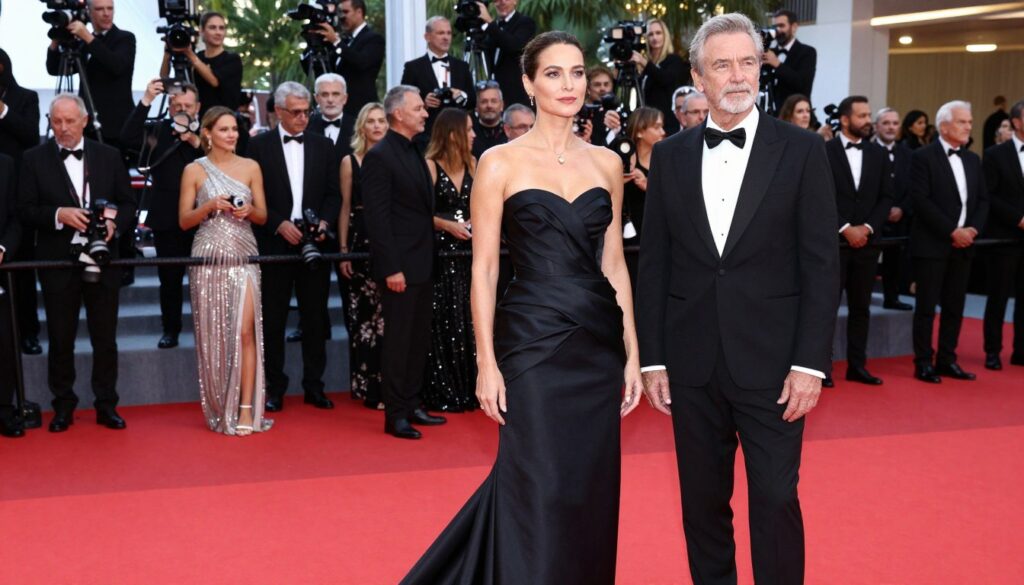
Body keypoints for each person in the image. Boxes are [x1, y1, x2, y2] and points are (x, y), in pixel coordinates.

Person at [402, 31, 642, 583]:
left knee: (589, 484)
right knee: (536, 481)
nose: (569, 84)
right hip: (532, 343)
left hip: (597, 346)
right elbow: (483, 268)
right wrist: (486, 362)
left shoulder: (608, 163)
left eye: (577, 72)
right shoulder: (499, 162)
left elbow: (614, 266)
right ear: (529, 84)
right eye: (554, 73)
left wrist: (632, 351)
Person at [637, 14, 839, 584]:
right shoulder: (671, 156)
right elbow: (655, 263)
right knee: (702, 506)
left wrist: (809, 364)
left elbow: (822, 265)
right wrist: (653, 357)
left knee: (775, 499)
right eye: (722, 64)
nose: (737, 75)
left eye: (747, 61)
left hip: (775, 363)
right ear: (698, 78)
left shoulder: (800, 150)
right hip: (692, 361)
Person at [17, 94, 137, 433]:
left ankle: (106, 405)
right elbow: (24, 210)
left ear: (85, 120)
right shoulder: (33, 159)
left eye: (70, 121)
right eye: (57, 122)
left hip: (103, 257)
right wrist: (58, 215)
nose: (64, 128)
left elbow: (128, 203)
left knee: (105, 339)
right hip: (57, 261)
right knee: (60, 337)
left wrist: (115, 224)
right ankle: (63, 406)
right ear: (49, 121)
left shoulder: (109, 156)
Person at [247, 82, 340, 412]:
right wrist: (277, 223)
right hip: (274, 243)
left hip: (314, 242)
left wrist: (325, 222)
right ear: (278, 112)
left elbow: (333, 194)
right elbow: (250, 197)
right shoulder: (256, 147)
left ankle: (315, 386)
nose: (303, 118)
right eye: (296, 112)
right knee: (272, 321)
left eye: (306, 111)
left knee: (315, 319)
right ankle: (274, 388)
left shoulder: (323, 146)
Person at [178, 106, 270, 436]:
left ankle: (246, 407)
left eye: (235, 129)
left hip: (244, 253)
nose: (232, 135)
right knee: (215, 332)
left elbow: (263, 216)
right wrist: (208, 206)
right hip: (207, 257)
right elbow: (184, 221)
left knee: (245, 332)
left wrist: (247, 211)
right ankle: (220, 404)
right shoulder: (194, 170)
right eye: (225, 130)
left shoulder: (251, 167)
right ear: (208, 133)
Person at [363, 85, 447, 439]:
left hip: (423, 263)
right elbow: (377, 220)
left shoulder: (415, 150)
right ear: (399, 114)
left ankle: (412, 403)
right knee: (398, 343)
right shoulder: (380, 157)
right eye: (418, 109)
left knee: (417, 340)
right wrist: (391, 268)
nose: (425, 113)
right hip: (400, 267)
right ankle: (395, 413)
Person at [120, 79, 205, 349]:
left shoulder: (212, 129)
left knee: (205, 280)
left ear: (198, 107)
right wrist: (145, 100)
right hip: (167, 217)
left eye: (187, 105)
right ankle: (171, 329)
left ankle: (209, 330)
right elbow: (128, 139)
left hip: (205, 216)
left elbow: (230, 159)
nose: (182, 109)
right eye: (176, 105)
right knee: (169, 279)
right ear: (168, 106)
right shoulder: (158, 129)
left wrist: (195, 140)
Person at [910, 100, 988, 384]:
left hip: (964, 245)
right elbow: (921, 200)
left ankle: (947, 359)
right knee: (927, 308)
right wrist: (952, 231)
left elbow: (981, 200)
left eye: (969, 121)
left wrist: (972, 230)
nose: (968, 126)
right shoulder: (922, 157)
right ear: (944, 126)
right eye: (962, 122)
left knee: (955, 307)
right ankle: (923, 362)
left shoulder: (972, 159)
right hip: (933, 245)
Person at [824, 96, 893, 387]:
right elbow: (819, 194)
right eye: (862, 116)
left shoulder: (879, 154)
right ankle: (821, 369)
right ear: (844, 119)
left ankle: (857, 365)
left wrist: (866, 228)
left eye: (868, 115)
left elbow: (886, 197)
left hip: (867, 244)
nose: (868, 121)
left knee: (861, 308)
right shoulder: (823, 151)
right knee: (825, 309)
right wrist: (844, 228)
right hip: (833, 246)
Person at [424, 108, 478, 412]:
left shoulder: (476, 163)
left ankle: (472, 388)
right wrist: (448, 225)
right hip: (441, 256)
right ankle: (444, 389)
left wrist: (475, 221)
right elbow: (418, 212)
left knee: (468, 320)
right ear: (453, 133)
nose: (473, 135)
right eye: (468, 130)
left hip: (471, 254)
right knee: (443, 319)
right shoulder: (430, 166)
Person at [338, 102, 388, 409]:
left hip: (389, 241)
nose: (378, 126)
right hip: (360, 241)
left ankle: (386, 385)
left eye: (382, 120)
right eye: (371, 121)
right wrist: (343, 250)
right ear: (362, 127)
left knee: (388, 319)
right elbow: (344, 208)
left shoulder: (397, 159)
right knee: (363, 319)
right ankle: (365, 385)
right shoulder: (350, 161)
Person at [45, 0, 135, 151]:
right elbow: (54, 69)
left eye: (110, 9)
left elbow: (116, 66)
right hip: (87, 125)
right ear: (89, 12)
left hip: (115, 127)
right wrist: (56, 38)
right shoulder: (84, 42)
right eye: (100, 9)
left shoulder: (125, 38)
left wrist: (87, 36)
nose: (106, 14)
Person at [0, 48, 43, 356]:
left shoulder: (25, 98)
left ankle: (28, 332)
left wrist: (2, 111)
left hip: (17, 193)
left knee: (23, 268)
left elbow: (31, 136)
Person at [981, 98, 1024, 370]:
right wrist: (1018, 219)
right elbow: (989, 195)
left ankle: (1021, 351)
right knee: (997, 297)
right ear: (1017, 122)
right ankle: (992, 351)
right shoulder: (996, 154)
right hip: (1004, 238)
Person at [400, 16, 475, 145]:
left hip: (458, 136)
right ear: (427, 36)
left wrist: (460, 96)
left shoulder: (461, 66)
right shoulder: (413, 67)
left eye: (449, 33)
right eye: (440, 33)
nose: (446, 37)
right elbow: (404, 103)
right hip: (426, 136)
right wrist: (424, 102)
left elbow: (473, 102)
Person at [161, 12, 243, 117]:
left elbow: (214, 81)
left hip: (223, 120)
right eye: (212, 28)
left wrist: (189, 54)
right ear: (201, 31)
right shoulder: (197, 57)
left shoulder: (232, 59)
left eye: (221, 28)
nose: (218, 32)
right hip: (198, 121)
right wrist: (167, 54)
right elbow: (166, 80)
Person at [874, 107, 915, 311]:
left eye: (895, 123)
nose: (891, 127)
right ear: (876, 126)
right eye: (886, 123)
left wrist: (902, 208)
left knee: (895, 261)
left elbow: (914, 186)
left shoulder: (909, 154)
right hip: (872, 219)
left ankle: (892, 297)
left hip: (899, 218)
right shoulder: (867, 150)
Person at [324, 0, 385, 116]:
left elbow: (362, 62)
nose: (341, 17)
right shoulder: (345, 41)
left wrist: (336, 42)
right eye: (340, 13)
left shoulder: (374, 38)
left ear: (359, 12)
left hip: (361, 109)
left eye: (346, 12)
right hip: (340, 109)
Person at [0, 153, 23, 437]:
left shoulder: (6, 163)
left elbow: (17, 218)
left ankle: (4, 410)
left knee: (4, 345)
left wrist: (3, 248)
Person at [633, 18, 689, 136]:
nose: (654, 37)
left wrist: (644, 63)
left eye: (658, 33)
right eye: (650, 34)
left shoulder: (673, 60)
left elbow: (665, 79)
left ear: (665, 35)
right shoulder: (646, 65)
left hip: (668, 124)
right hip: (647, 124)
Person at [479, 0, 537, 108]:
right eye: (497, 0)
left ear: (515, 1)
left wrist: (490, 23)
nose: (501, 2)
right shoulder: (492, 27)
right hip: (494, 96)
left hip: (517, 95)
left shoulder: (525, 22)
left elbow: (514, 45)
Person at [764, 9, 816, 116]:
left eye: (782, 26)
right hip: (770, 115)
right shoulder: (769, 53)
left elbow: (802, 84)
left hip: (795, 115)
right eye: (774, 27)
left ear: (794, 27)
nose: (778, 30)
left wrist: (777, 64)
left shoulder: (807, 52)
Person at [307, 73, 355, 162]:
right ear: (316, 98)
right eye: (325, 94)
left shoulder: (358, 127)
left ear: (345, 98)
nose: (330, 100)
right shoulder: (306, 126)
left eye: (335, 94)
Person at [471, 81, 507, 158]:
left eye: (494, 101)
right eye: (484, 102)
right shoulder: (470, 133)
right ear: (476, 107)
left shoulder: (510, 130)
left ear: (502, 105)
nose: (489, 106)